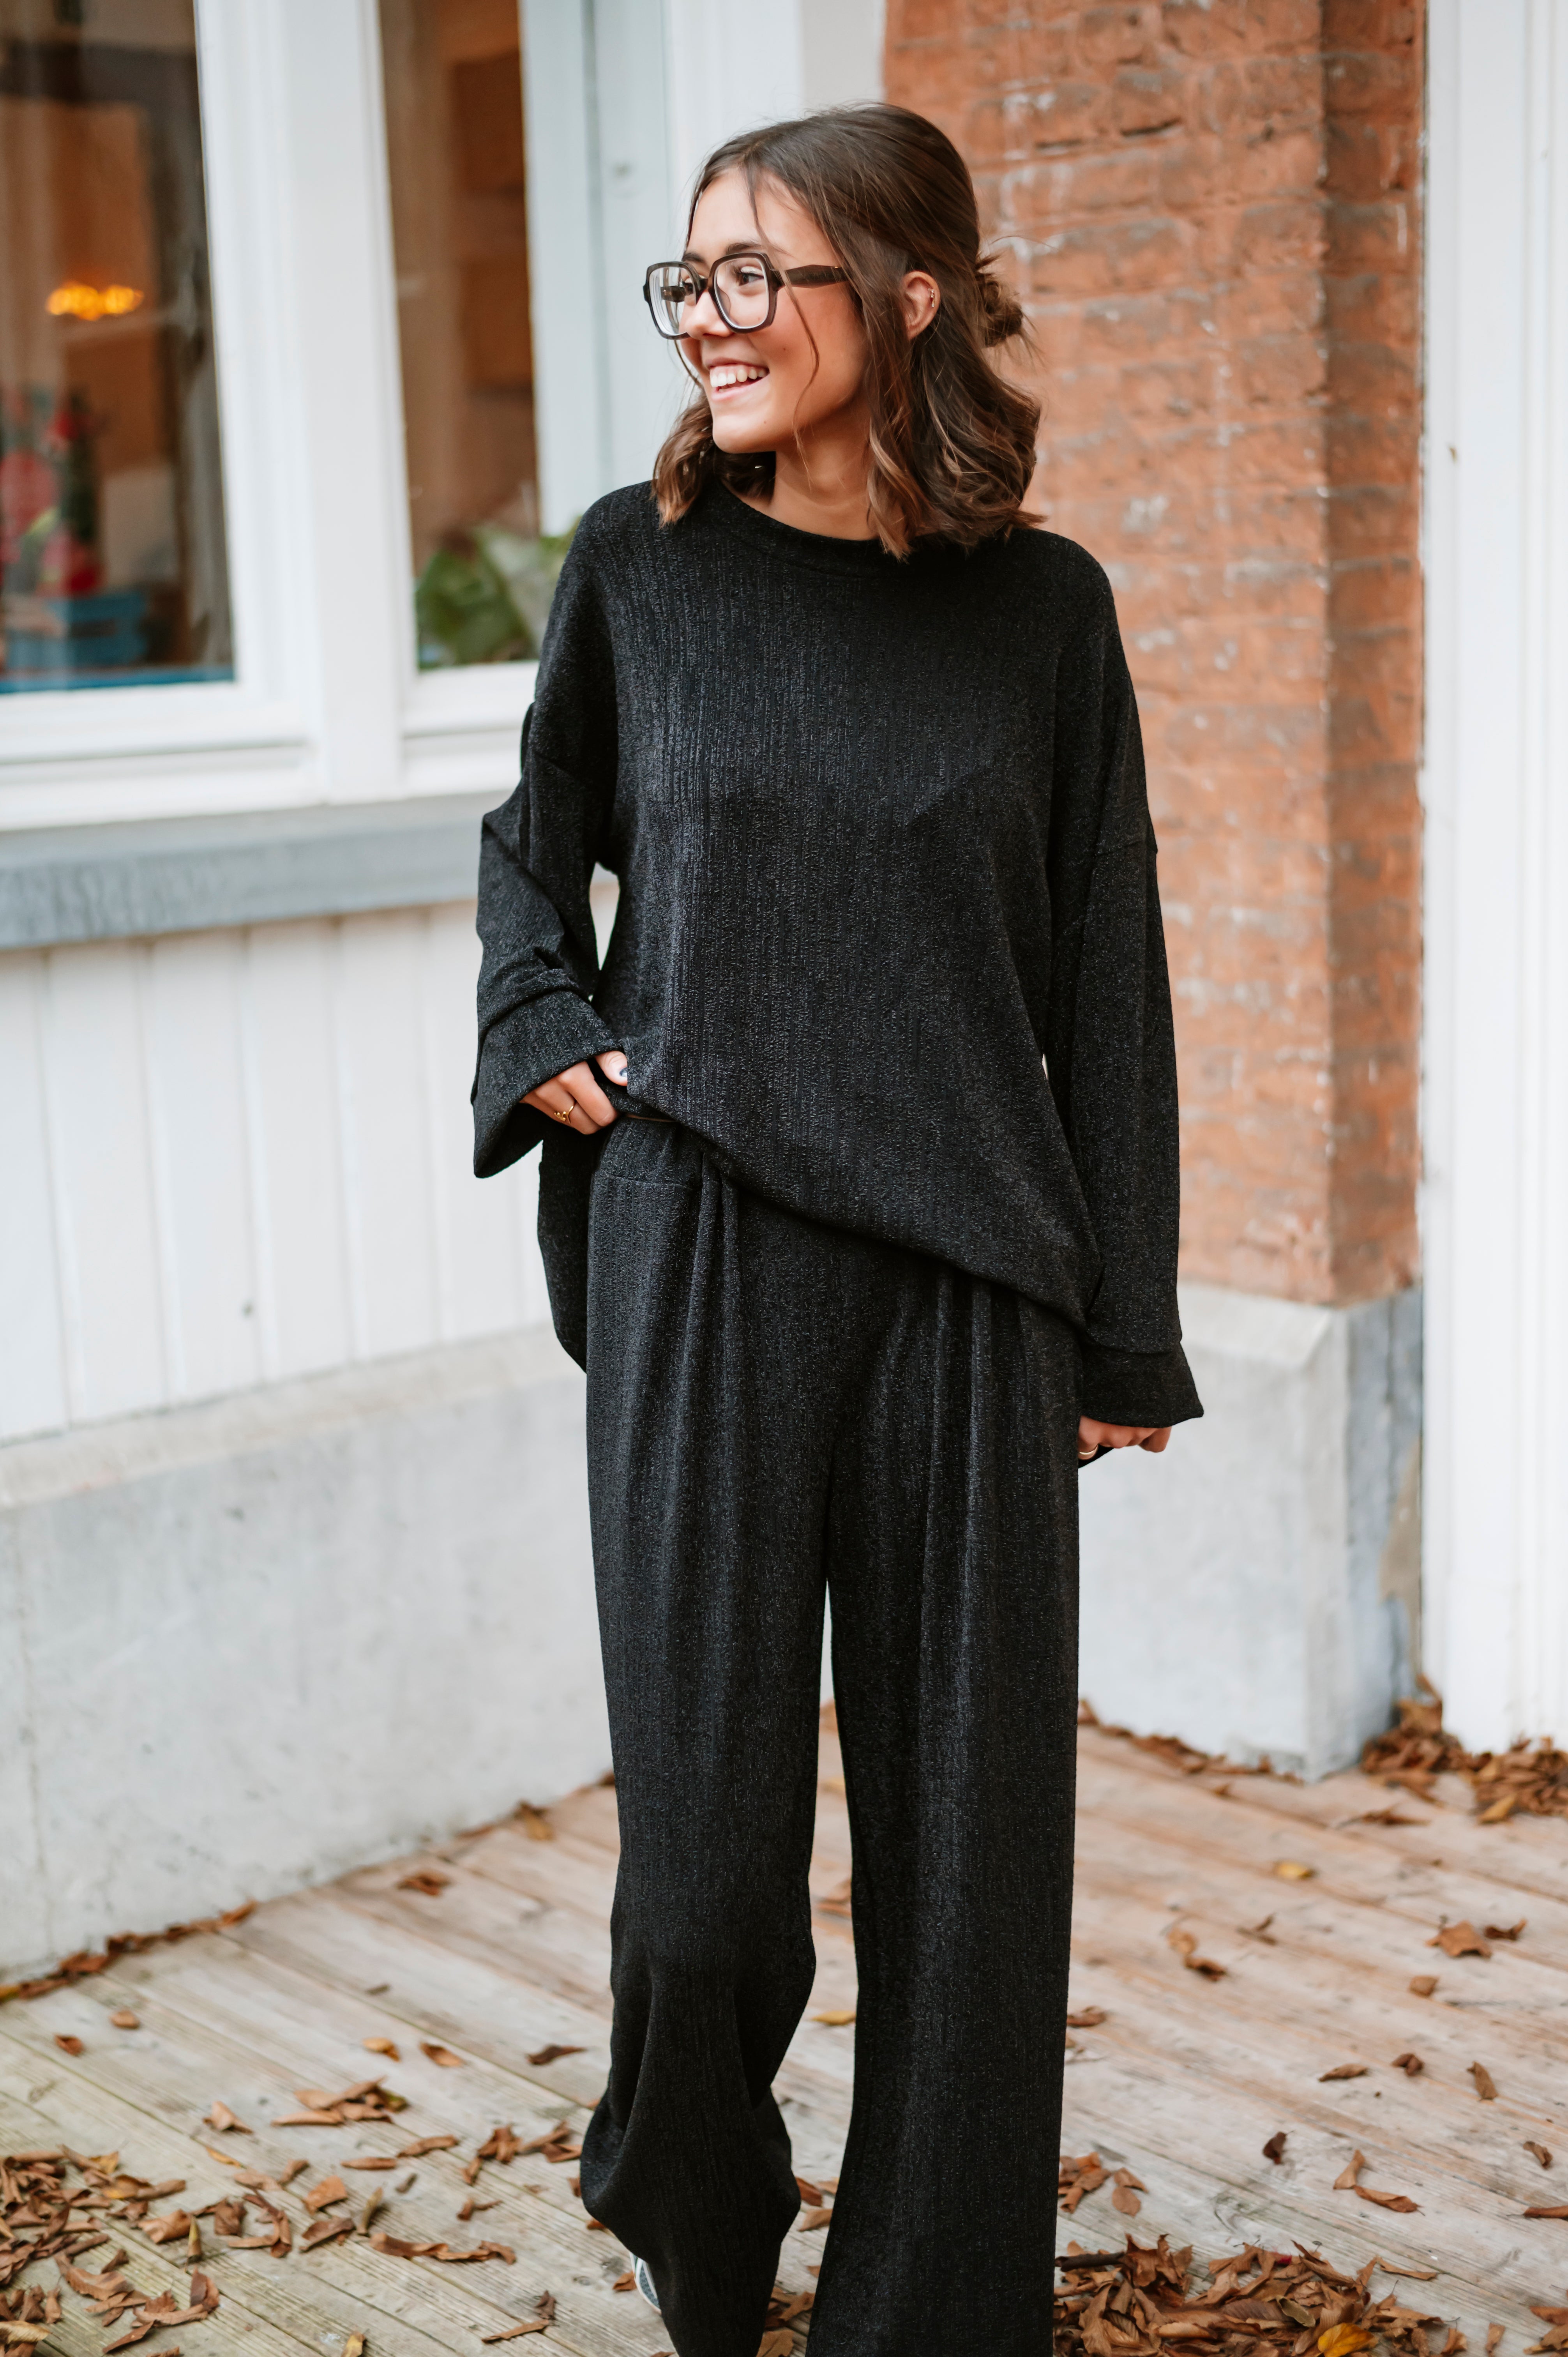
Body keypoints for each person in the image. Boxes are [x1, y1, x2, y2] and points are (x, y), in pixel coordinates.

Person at [472, 101, 1201, 2357]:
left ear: (905, 295)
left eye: (751, 276)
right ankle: (697, 2221)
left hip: (970, 1294)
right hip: (702, 1254)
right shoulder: (641, 566)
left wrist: (1123, 1327)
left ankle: (930, 2320)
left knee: (972, 1890)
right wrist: (539, 1022)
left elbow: (1107, 977)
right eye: (686, 282)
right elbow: (533, 844)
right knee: (703, 1893)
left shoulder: (1043, 615)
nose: (708, 323)